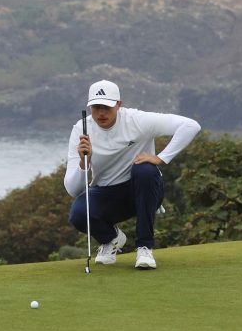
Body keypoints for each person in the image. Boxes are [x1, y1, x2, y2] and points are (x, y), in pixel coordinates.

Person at [64, 79, 201, 269]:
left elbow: (190, 126)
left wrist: (161, 158)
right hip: (108, 194)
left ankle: (145, 247)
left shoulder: (137, 120)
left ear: (118, 105)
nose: (101, 113)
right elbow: (73, 189)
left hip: (144, 188)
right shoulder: (81, 130)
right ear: (89, 106)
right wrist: (83, 162)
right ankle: (111, 239)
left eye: (107, 107)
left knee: (145, 170)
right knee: (79, 214)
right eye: (96, 107)